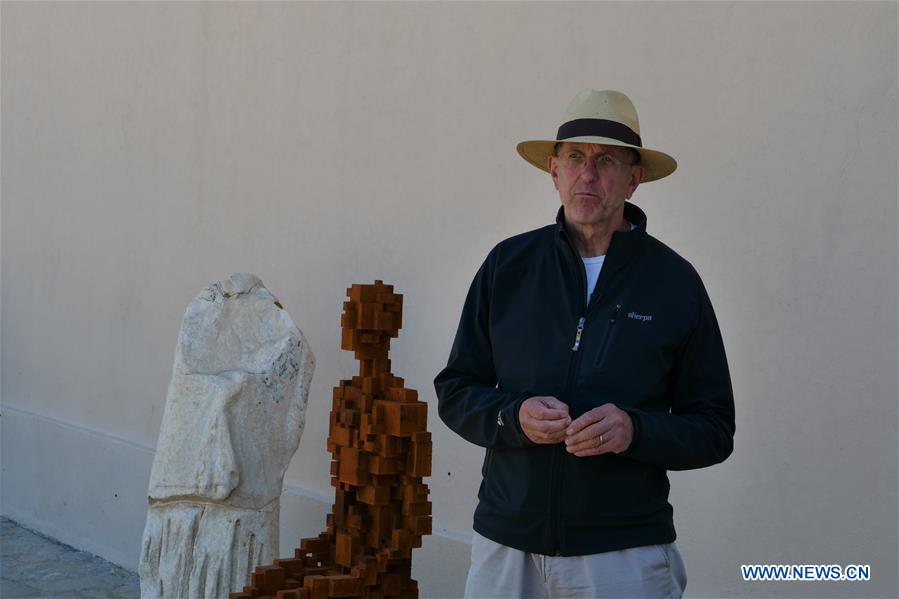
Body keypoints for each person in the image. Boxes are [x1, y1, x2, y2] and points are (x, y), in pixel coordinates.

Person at [434, 89, 735, 598]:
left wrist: (633, 430)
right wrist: (515, 416)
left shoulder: (675, 283)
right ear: (553, 170)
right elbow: (456, 391)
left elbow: (713, 428)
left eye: (606, 160)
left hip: (623, 556)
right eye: (575, 157)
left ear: (635, 178)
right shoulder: (508, 267)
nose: (587, 174)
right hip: (507, 547)